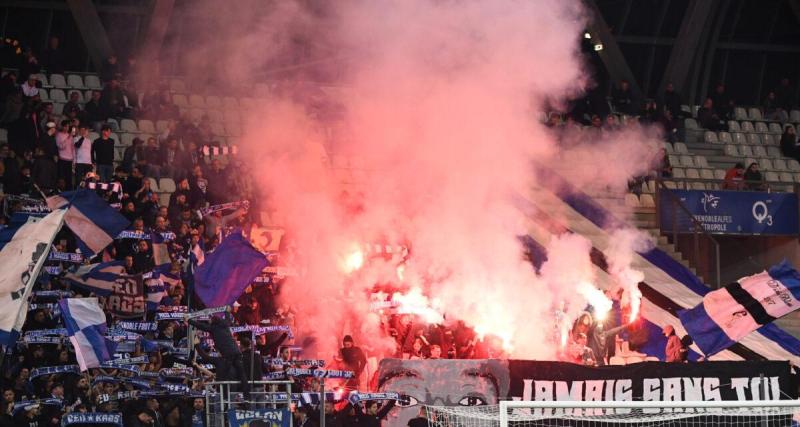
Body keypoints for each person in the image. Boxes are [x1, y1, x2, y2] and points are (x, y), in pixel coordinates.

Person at [188, 310, 250, 399]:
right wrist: (227, 311)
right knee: (242, 374)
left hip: (227, 355)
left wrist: (189, 320)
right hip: (236, 352)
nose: (208, 322)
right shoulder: (225, 325)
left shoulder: (214, 328)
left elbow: (201, 326)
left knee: (222, 376)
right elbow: (228, 319)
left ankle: (223, 397)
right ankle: (247, 397)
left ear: (213, 321)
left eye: (209, 321)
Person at [55, 120, 75, 189]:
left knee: (68, 179)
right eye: (65, 126)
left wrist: (73, 159)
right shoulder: (59, 135)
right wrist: (68, 137)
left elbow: (72, 148)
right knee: (61, 178)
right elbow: (61, 147)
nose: (67, 128)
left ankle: (68, 194)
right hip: (62, 159)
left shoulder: (70, 136)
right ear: (62, 127)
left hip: (69, 160)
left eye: (68, 127)